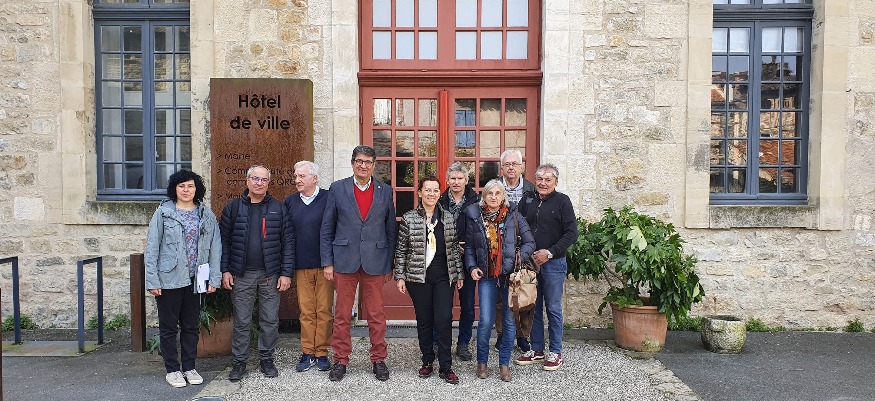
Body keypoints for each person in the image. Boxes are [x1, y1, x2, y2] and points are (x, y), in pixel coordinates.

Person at [320, 145, 397, 382]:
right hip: (344, 260)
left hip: (375, 260)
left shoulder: (385, 191)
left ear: (374, 165)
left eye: (368, 162)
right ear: (353, 163)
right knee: (342, 314)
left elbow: (390, 229)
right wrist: (327, 262)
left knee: (376, 314)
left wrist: (390, 263)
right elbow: (327, 228)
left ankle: (379, 360)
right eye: (359, 161)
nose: (363, 165)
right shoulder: (337, 188)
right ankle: (340, 360)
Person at [145, 170, 222, 388]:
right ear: (175, 189)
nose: (186, 190)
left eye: (190, 186)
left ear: (197, 189)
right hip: (169, 278)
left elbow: (215, 248)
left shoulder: (206, 215)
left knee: (191, 326)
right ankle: (172, 370)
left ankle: (189, 367)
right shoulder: (163, 213)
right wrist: (153, 281)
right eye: (181, 186)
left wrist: (214, 278)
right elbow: (152, 248)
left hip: (196, 279)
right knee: (169, 327)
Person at [220, 165, 293, 382]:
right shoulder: (233, 208)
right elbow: (224, 242)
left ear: (268, 183)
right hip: (241, 274)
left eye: (263, 180)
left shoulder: (279, 209)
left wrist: (286, 273)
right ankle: (239, 362)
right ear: (247, 181)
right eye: (255, 179)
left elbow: (288, 243)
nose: (259, 183)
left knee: (269, 320)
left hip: (270, 274)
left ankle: (266, 359)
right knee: (242, 321)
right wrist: (225, 270)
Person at [462, 179, 535, 382]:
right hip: (487, 277)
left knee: (510, 322)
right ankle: (482, 363)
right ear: (484, 197)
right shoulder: (475, 217)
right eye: (490, 193)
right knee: (486, 321)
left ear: (503, 196)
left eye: (498, 193)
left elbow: (530, 242)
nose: (494, 197)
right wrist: (472, 266)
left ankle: (504, 364)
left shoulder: (514, 215)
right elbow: (469, 248)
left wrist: (519, 258)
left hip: (509, 277)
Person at [395, 176, 464, 384]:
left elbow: (454, 248)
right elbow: (401, 249)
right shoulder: (409, 218)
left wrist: (459, 273)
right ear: (420, 193)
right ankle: (427, 361)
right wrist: (400, 276)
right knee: (424, 320)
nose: (431, 194)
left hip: (444, 276)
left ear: (439, 194)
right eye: (427, 190)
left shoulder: (448, 218)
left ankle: (446, 366)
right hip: (418, 278)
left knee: (443, 319)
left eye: (435, 190)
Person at [514, 164, 578, 371]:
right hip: (530, 264)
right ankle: (538, 350)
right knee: (533, 306)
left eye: (548, 179)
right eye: (539, 179)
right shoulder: (527, 199)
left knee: (553, 308)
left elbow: (571, 233)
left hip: (553, 263)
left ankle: (556, 352)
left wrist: (549, 252)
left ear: (555, 182)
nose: (543, 183)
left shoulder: (563, 201)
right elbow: (517, 226)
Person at [284, 161, 333, 373]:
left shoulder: (329, 198)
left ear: (314, 178)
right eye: (296, 176)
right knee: (306, 311)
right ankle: (307, 352)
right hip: (301, 265)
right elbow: (286, 235)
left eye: (302, 176)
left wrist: (331, 262)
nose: (297, 180)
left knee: (324, 310)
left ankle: (321, 352)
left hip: (325, 266)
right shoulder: (290, 202)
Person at [437, 162, 480, 361]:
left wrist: (468, 246)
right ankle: (439, 342)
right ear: (447, 180)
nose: (456, 182)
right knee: (441, 305)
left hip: (468, 259)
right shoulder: (439, 200)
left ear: (466, 180)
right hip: (443, 259)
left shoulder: (476, 201)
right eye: (452, 178)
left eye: (460, 178)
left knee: (468, 306)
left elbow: (481, 229)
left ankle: (463, 343)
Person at [495, 149, 536, 351]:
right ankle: (502, 335)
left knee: (524, 293)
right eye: (507, 164)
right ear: (501, 168)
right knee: (501, 298)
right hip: (500, 251)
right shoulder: (493, 187)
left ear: (521, 167)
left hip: (524, 251)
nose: (511, 168)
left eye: (515, 164)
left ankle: (522, 336)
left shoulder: (531, 189)